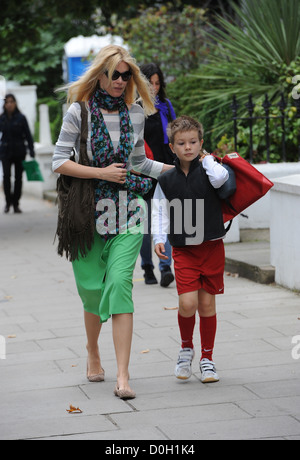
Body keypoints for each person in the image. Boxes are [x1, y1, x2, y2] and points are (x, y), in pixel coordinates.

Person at [52, 45, 173, 399]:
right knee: (91, 291)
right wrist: (100, 172)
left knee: (120, 283)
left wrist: (183, 167)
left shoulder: (136, 113)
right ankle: (93, 351)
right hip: (87, 212)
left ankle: (122, 375)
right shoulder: (79, 112)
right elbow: (59, 161)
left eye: (126, 75)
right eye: (115, 74)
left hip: (129, 209)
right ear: (100, 76)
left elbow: (139, 163)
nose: (121, 81)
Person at [152, 116, 229, 383]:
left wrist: (208, 159)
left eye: (193, 142)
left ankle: (207, 358)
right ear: (172, 147)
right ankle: (186, 348)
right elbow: (160, 211)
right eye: (182, 143)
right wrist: (158, 238)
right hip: (184, 249)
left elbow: (221, 179)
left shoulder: (211, 170)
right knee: (187, 303)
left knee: (207, 304)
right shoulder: (167, 179)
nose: (188, 147)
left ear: (200, 143)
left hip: (211, 246)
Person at [139, 63, 176, 287]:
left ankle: (165, 267)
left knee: (165, 222)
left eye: (157, 82)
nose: (153, 87)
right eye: (149, 83)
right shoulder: (134, 109)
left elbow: (176, 137)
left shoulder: (166, 106)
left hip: (167, 171)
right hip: (144, 173)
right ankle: (147, 267)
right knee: (145, 225)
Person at [0, 94, 35, 213]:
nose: (9, 104)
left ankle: (16, 203)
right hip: (5, 152)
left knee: (18, 178)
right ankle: (8, 202)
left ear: (15, 103)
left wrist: (31, 150)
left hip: (19, 151)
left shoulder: (21, 117)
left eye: (11, 102)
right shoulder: (2, 118)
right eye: (7, 102)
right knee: (6, 177)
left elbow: (28, 135)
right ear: (4, 105)